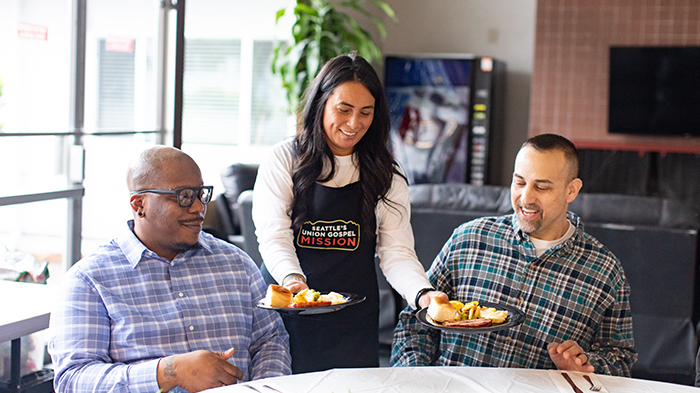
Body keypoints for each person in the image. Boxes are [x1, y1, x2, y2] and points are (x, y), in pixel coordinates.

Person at [252, 52, 445, 373]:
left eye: (365, 112)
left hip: (352, 321)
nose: (354, 123)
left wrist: (422, 294)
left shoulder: (386, 173)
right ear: (321, 104)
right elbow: (273, 236)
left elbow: (396, 251)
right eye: (344, 110)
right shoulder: (284, 158)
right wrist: (294, 281)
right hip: (288, 309)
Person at [48, 146, 291, 393]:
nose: (198, 207)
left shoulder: (237, 264)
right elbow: (73, 380)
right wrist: (170, 371)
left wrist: (264, 388)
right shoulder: (89, 280)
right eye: (184, 196)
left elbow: (270, 340)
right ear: (139, 204)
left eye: (201, 194)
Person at [391, 133, 638, 376]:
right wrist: (415, 379)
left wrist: (585, 365)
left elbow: (620, 359)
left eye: (541, 187)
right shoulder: (468, 239)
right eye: (519, 183)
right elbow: (414, 323)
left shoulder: (605, 271)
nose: (526, 198)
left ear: (571, 191)